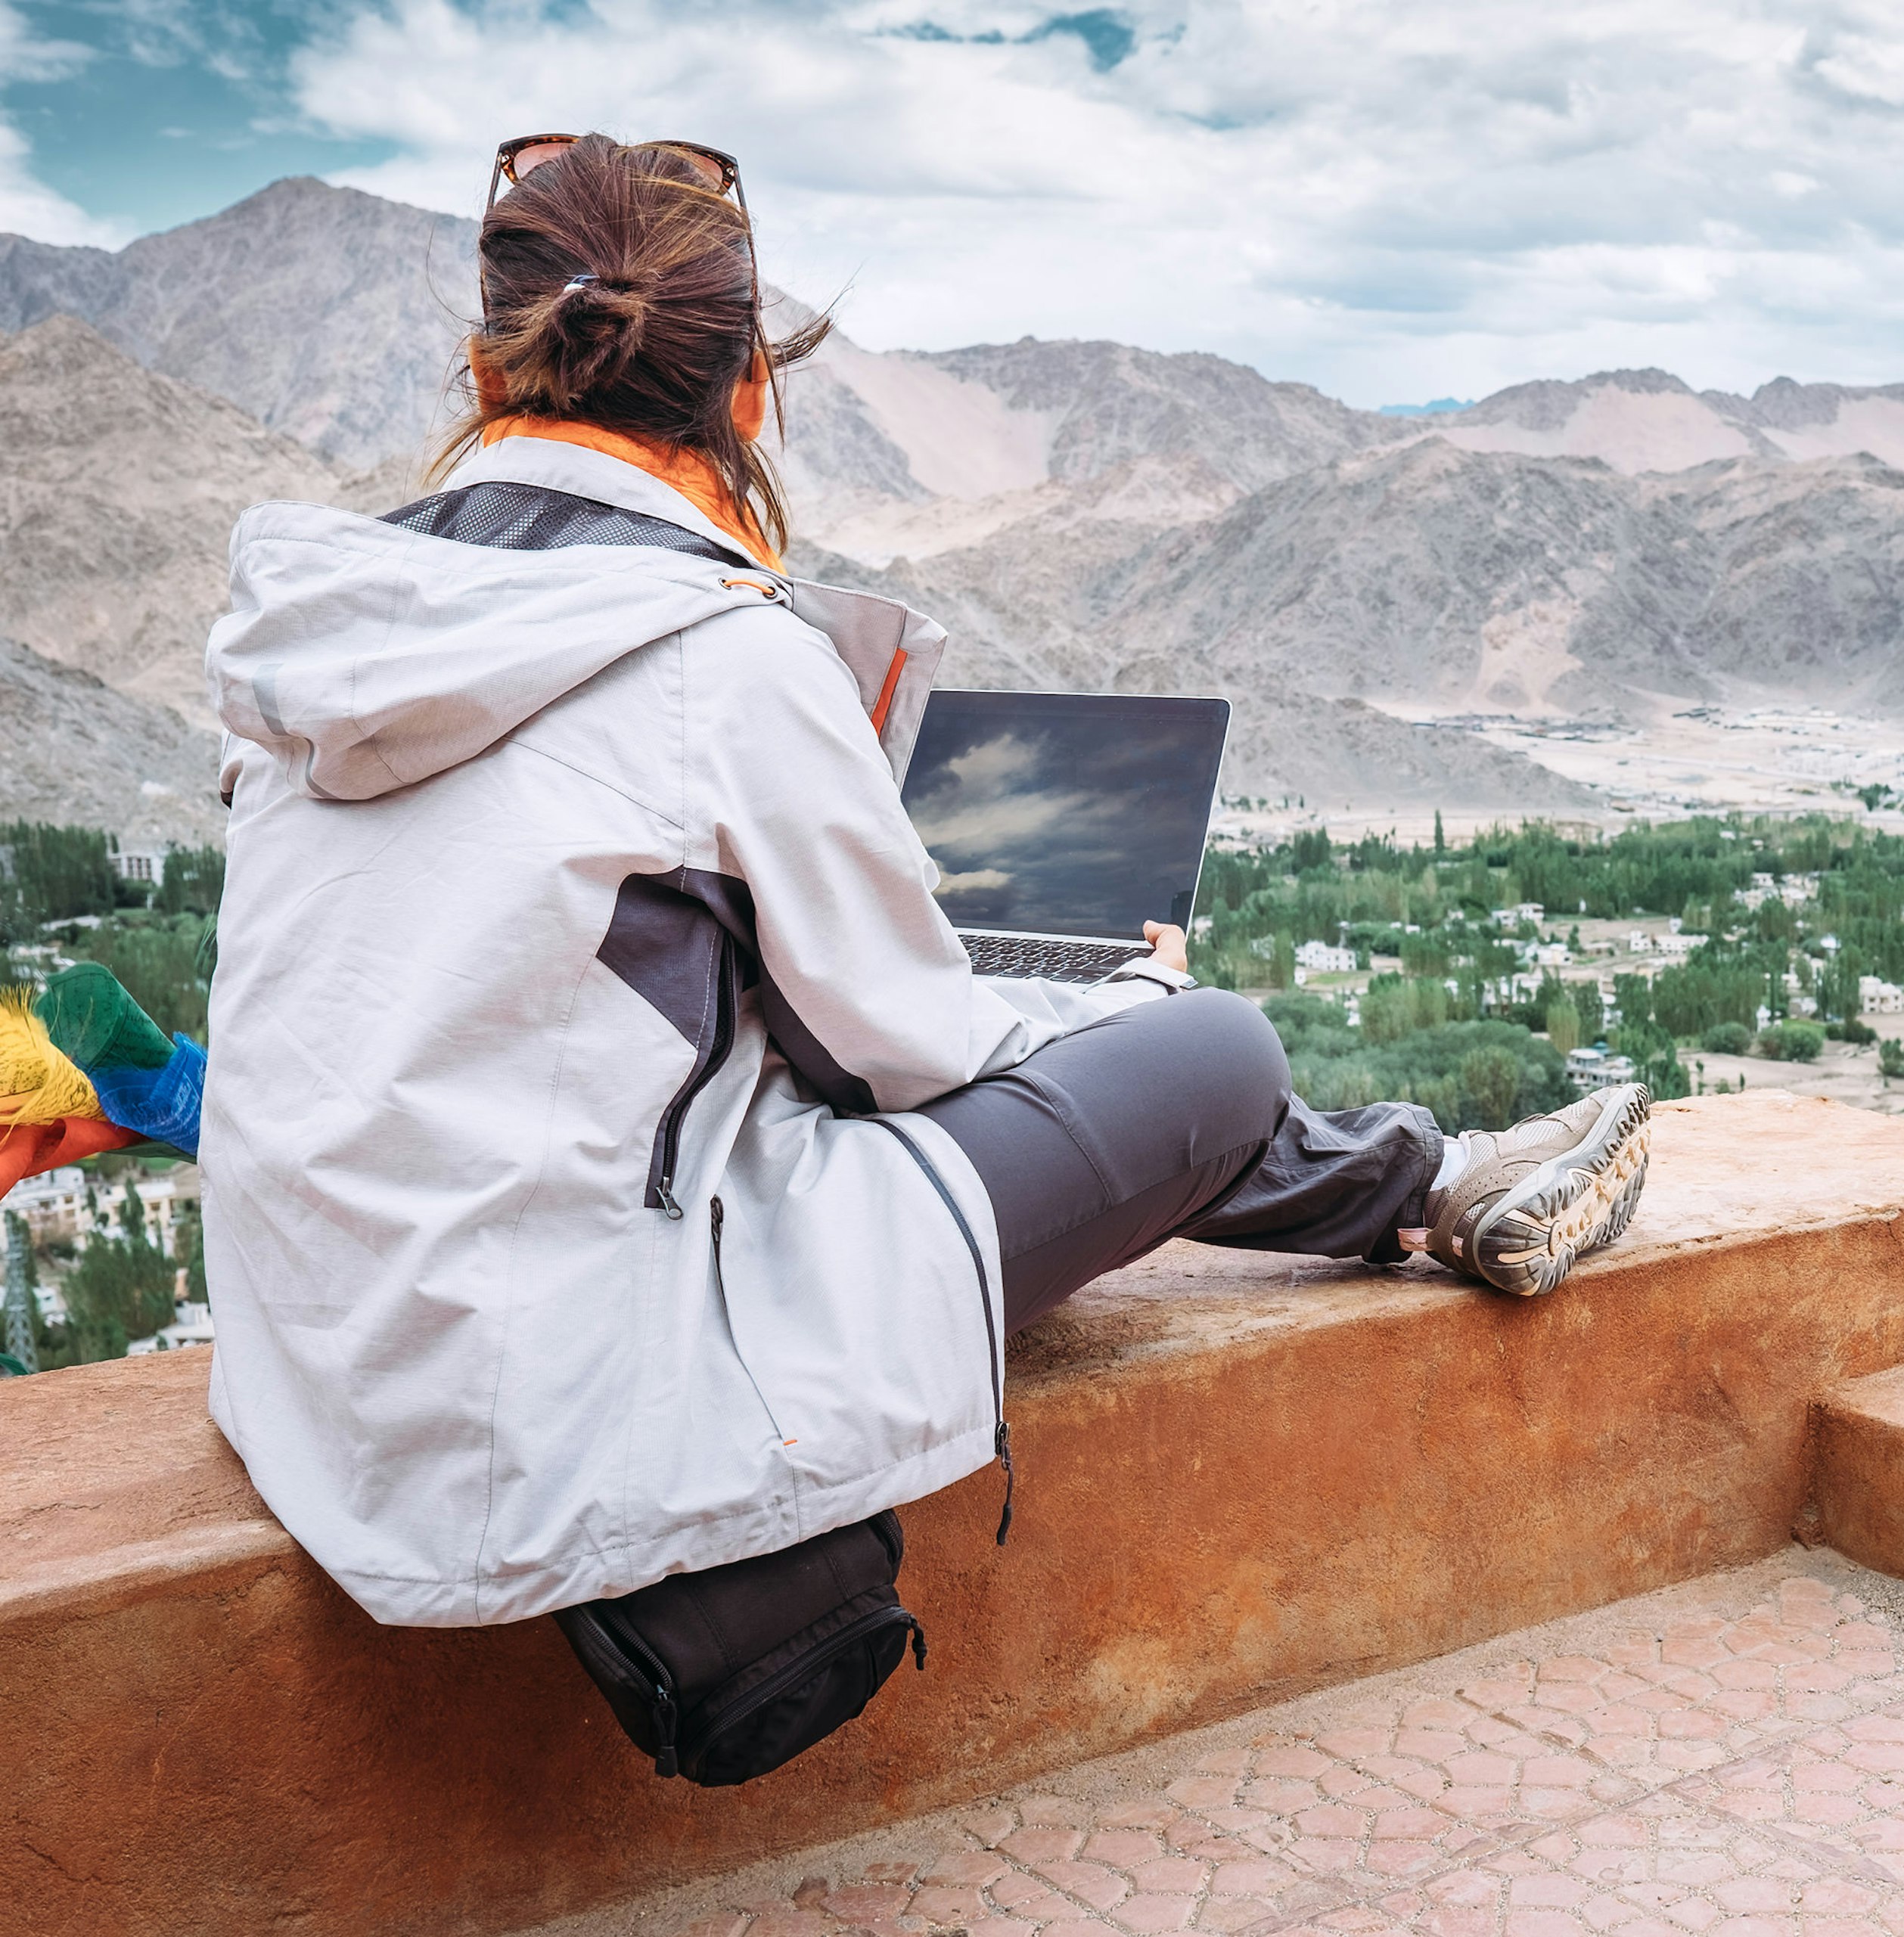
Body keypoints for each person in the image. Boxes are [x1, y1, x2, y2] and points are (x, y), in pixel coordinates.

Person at [199, 133, 1652, 1630]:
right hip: (545, 1412)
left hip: (323, 1382)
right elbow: (899, 1057)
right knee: (1213, 1058)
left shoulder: (321, 642)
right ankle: (1419, 1188)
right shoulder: (714, 654)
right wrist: (1127, 1006)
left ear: (490, 369)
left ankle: (1415, 1190)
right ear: (750, 385)